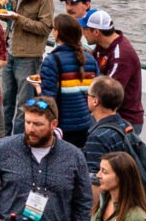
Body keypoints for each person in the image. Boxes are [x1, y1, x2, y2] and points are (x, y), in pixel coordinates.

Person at [0, 94, 94, 221]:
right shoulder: (5, 148)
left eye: (37, 124)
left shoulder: (74, 156)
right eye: (27, 122)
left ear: (53, 124)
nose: (30, 129)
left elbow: (84, 202)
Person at [0, 0, 55, 136]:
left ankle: (19, 142)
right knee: (6, 101)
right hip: (10, 53)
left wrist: (19, 18)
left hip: (29, 57)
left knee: (24, 105)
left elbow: (46, 28)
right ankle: (2, 141)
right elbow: (7, 16)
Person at [38, 15, 100, 147]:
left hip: (62, 129)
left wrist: (37, 92)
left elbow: (48, 101)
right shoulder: (91, 60)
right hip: (86, 126)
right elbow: (97, 94)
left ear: (56, 33)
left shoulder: (52, 61)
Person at [81, 76, 146, 189]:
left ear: (95, 101)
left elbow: (95, 181)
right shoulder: (125, 125)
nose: (86, 97)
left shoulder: (98, 137)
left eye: (87, 94)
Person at [84, 10, 144, 131]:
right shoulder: (103, 45)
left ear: (96, 32)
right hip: (106, 114)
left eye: (85, 29)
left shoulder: (121, 56)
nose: (83, 33)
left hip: (124, 121)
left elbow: (108, 92)